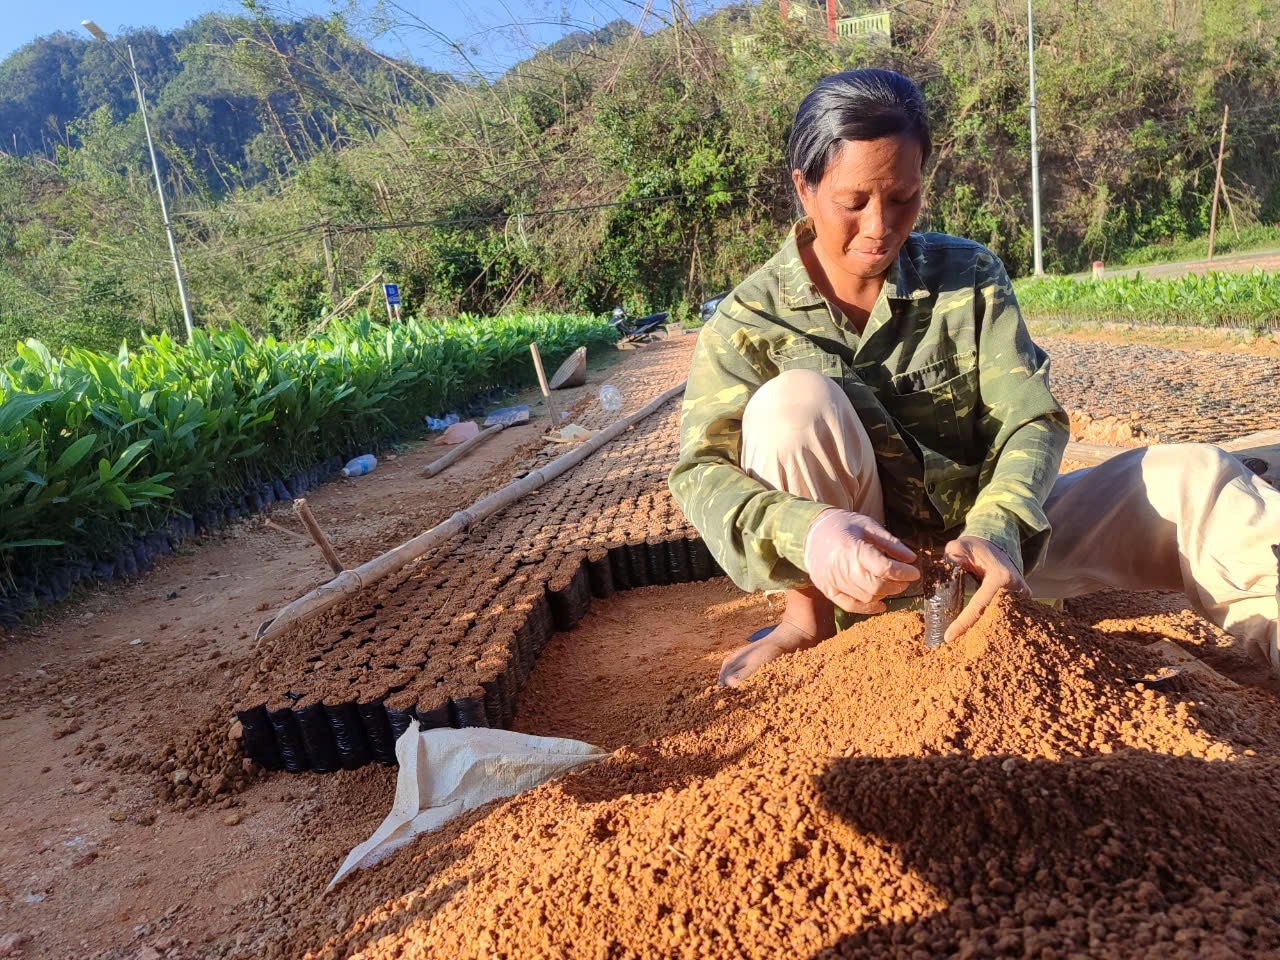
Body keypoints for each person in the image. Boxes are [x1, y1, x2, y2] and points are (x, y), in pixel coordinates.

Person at [668, 68, 1280, 688]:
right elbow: (701, 474)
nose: (880, 226)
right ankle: (814, 622)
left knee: (1195, 478)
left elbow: (1029, 417)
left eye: (902, 197)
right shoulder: (748, 321)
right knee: (792, 405)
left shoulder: (967, 274)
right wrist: (814, 533)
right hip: (864, 580)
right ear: (805, 188)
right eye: (854, 202)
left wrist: (999, 528)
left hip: (997, 556)